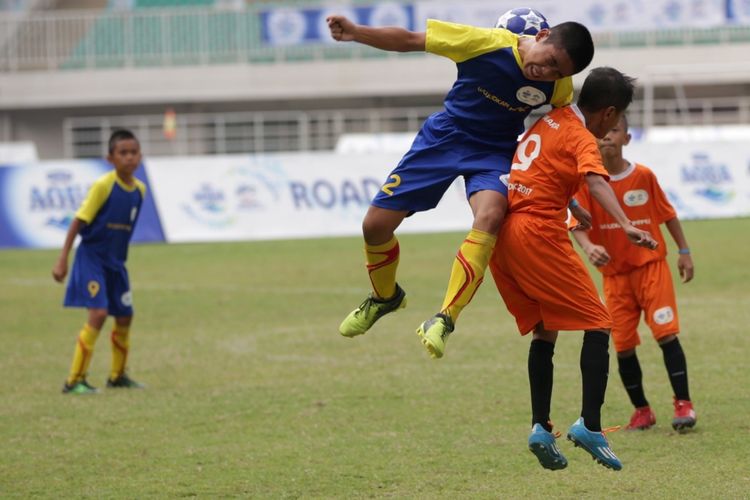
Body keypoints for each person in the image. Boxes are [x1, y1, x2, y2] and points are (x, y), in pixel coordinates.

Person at [328, 14, 595, 358]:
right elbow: (410, 40)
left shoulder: (559, 89)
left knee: (491, 215)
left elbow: (555, 139)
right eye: (550, 62)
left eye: (558, 72)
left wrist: (569, 198)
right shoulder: (483, 43)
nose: (547, 73)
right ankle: (384, 297)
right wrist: (357, 33)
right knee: (374, 226)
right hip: (445, 138)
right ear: (542, 36)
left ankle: (444, 319)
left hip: (494, 153)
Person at [488, 67, 657, 471]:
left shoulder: (552, 117)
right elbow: (597, 182)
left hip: (503, 231)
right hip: (538, 233)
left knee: (546, 328)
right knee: (599, 323)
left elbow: (540, 169)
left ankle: (540, 426)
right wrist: (628, 223)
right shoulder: (583, 136)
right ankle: (590, 426)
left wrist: (572, 206)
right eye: (616, 119)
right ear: (609, 113)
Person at [569, 114, 697, 431]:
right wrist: (588, 247)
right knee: (623, 345)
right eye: (601, 132)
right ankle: (642, 410)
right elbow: (577, 225)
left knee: (666, 334)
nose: (607, 137)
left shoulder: (644, 176)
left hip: (651, 269)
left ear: (627, 138)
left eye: (615, 130)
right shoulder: (588, 184)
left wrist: (684, 251)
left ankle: (684, 404)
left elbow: (668, 215)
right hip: (615, 277)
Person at [52, 129, 146, 394]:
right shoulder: (104, 186)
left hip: (116, 263)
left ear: (140, 155)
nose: (129, 158)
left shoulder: (140, 190)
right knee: (99, 313)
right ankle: (74, 380)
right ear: (110, 158)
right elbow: (78, 221)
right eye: (123, 153)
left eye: (133, 152)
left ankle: (118, 376)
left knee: (125, 316)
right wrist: (63, 260)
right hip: (92, 259)